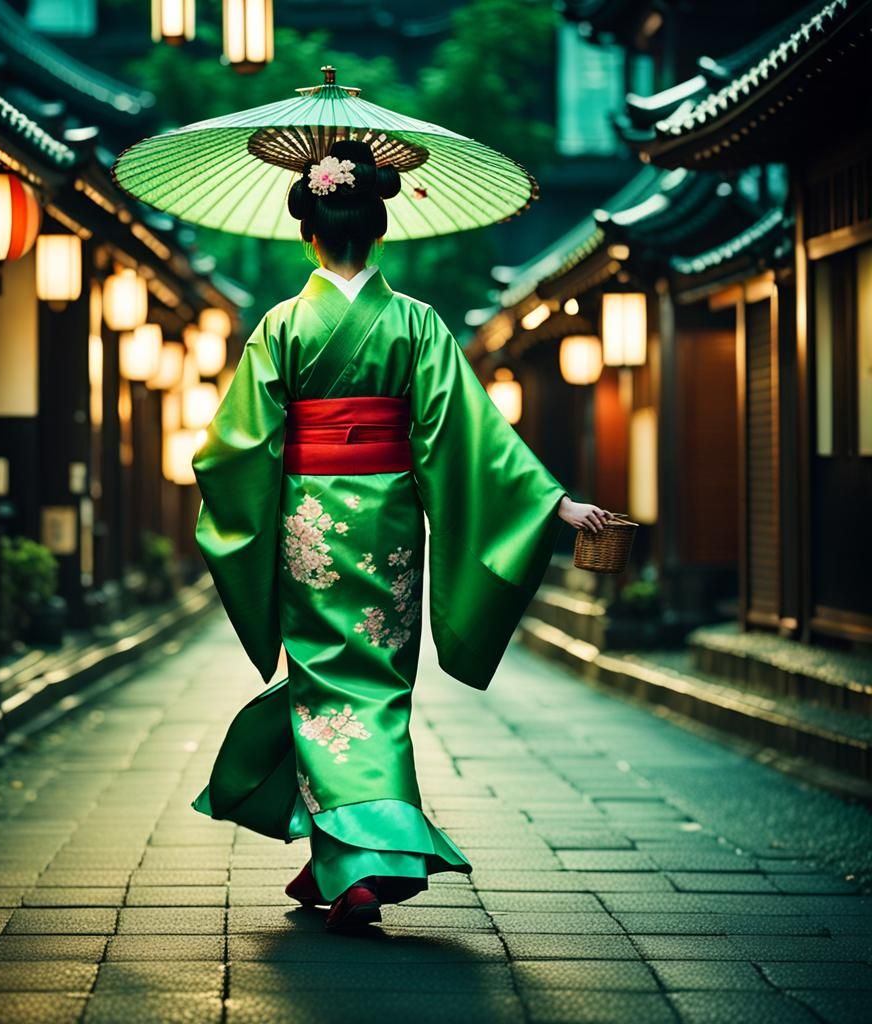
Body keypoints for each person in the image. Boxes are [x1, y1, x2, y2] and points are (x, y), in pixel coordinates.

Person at [190, 139, 610, 931]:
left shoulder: (281, 326)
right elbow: (470, 436)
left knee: (323, 684)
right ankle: (348, 856)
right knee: (376, 689)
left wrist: (250, 494)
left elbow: (231, 450)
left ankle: (351, 858)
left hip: (308, 525)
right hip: (388, 528)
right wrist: (552, 505)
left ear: (305, 231)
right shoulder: (417, 324)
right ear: (379, 229)